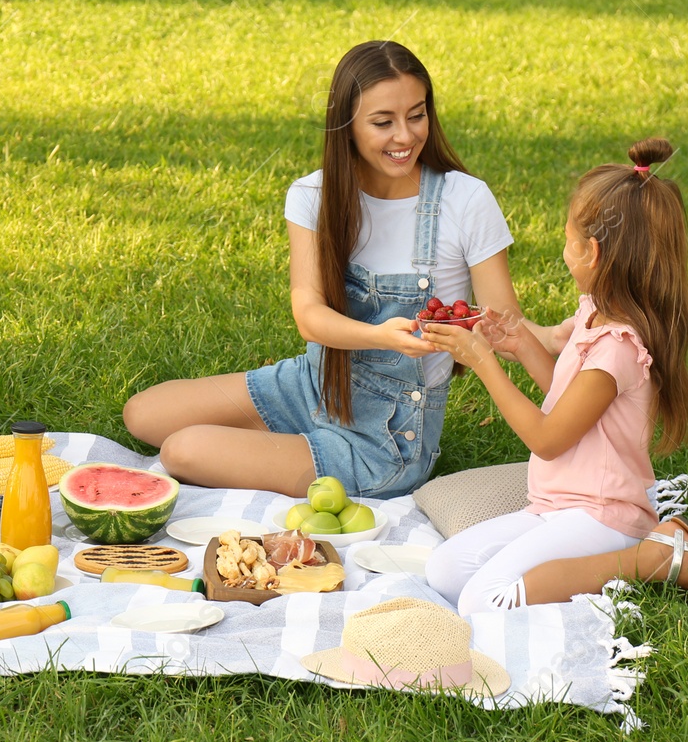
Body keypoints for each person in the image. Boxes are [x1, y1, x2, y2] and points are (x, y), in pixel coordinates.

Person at [123, 40, 536, 498]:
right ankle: (290, 450)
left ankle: (292, 455)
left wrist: (561, 342)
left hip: (388, 438)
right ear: (347, 127)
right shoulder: (312, 195)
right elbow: (309, 314)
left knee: (181, 451)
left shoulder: (465, 199)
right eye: (383, 122)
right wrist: (381, 335)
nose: (405, 136)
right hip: (314, 384)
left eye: (416, 115)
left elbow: (503, 322)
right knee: (141, 414)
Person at [423, 138, 688, 616]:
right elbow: (571, 403)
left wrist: (484, 361)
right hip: (557, 504)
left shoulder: (617, 349)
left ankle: (648, 556)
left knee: (485, 602)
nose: (564, 249)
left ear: (590, 252)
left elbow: (548, 438)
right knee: (444, 573)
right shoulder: (594, 314)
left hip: (603, 514)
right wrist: (522, 345)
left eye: (567, 239)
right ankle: (638, 552)